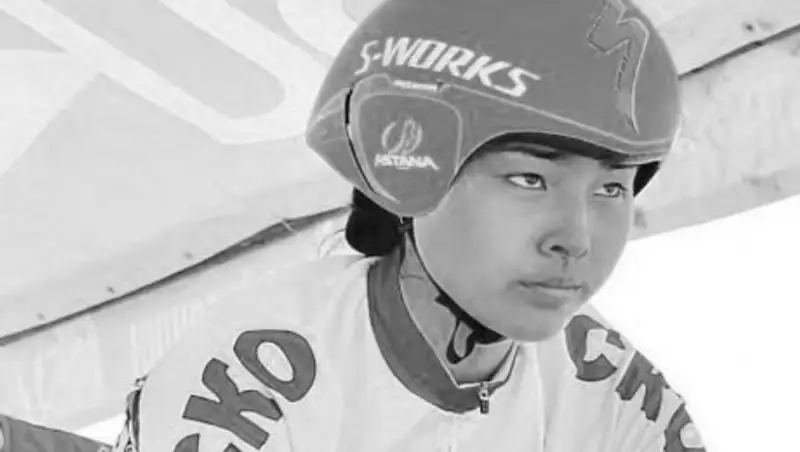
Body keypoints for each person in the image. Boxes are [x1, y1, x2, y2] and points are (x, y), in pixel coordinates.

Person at [112, 0, 707, 451]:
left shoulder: (608, 388)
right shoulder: (250, 381)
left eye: (612, 188)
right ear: (410, 166)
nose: (575, 240)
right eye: (530, 178)